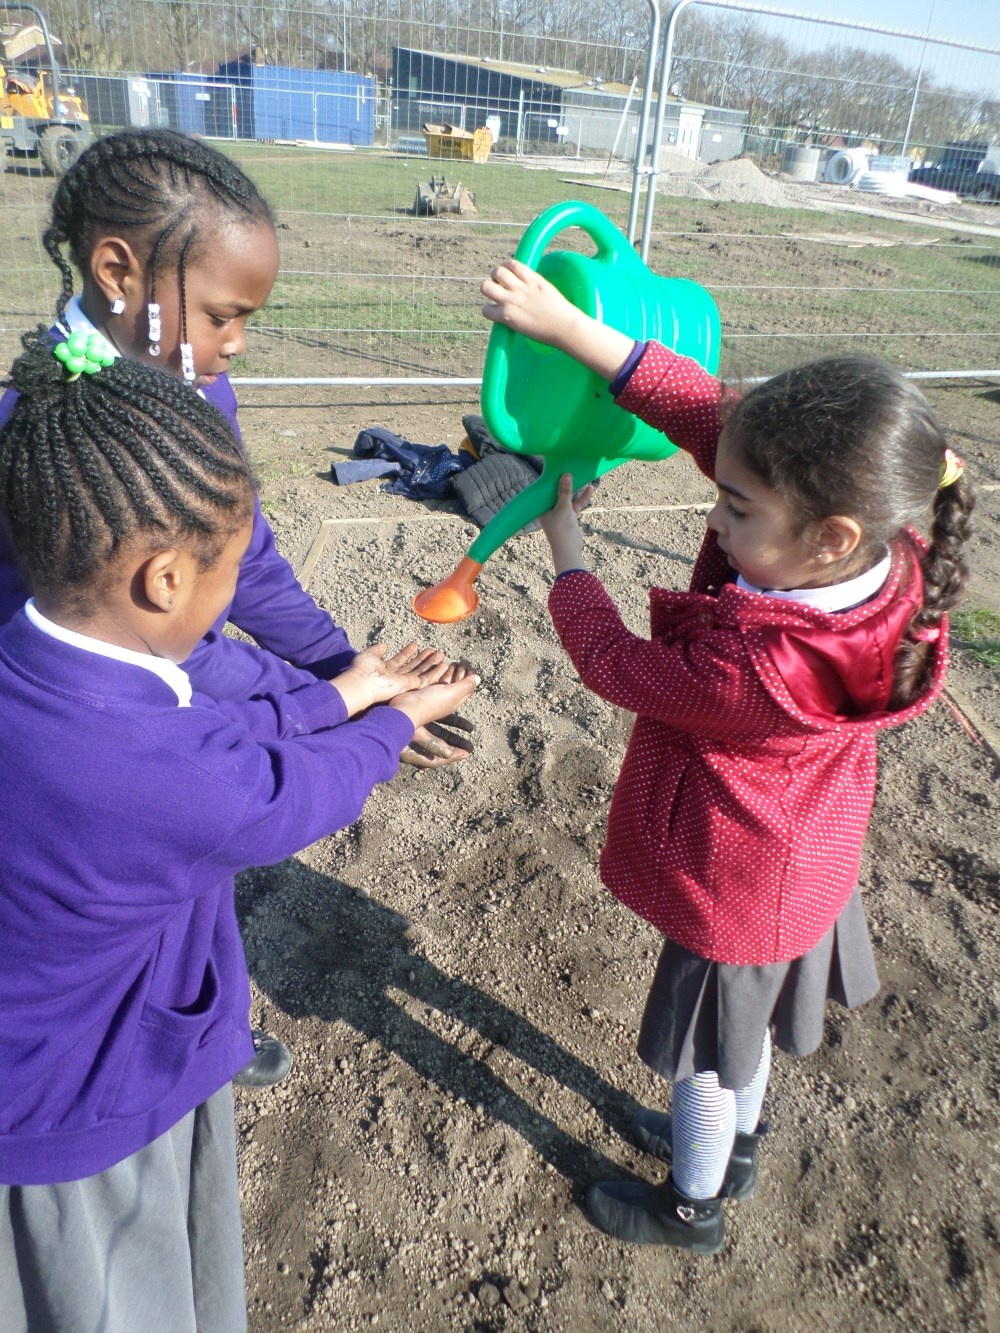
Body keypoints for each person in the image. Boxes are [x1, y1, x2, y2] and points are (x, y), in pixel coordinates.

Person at [481, 258, 975, 1255]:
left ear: (828, 536)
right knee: (741, 1038)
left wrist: (567, 546)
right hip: (808, 859)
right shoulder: (890, 564)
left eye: (737, 509)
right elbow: (702, 411)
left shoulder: (759, 672)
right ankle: (738, 1149)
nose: (713, 515)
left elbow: (613, 664)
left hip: (735, 887)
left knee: (706, 1057)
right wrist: (570, 329)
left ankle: (691, 1204)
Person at [0, 332, 478, 1331]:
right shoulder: (156, 775)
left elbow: (205, 738)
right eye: (230, 569)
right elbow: (287, 793)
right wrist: (391, 724)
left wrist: (343, 690)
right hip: (79, 1116)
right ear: (166, 580)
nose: (234, 593)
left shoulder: (42, 667)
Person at [0, 128, 473, 1085]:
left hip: (180, 664)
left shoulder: (199, 389)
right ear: (118, 271)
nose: (238, 343)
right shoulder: (28, 430)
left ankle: (204, 1019)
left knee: (193, 875)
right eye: (222, 314)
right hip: (93, 716)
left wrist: (345, 674)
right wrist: (362, 721)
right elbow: (263, 788)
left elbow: (243, 563)